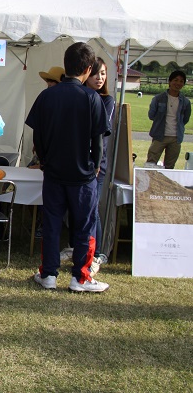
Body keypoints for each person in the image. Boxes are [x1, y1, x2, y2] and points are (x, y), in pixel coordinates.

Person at [25, 42, 110, 293]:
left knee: (51, 223)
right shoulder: (92, 98)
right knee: (84, 225)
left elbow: (37, 137)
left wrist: (45, 160)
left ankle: (49, 274)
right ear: (87, 68)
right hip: (83, 175)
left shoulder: (47, 95)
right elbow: (98, 141)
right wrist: (94, 166)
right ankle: (80, 278)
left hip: (53, 172)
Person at [84, 57, 115, 274]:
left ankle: (99, 253)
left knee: (94, 208)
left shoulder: (107, 100)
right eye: (96, 73)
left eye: (103, 74)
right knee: (84, 208)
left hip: (97, 164)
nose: (100, 78)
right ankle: (85, 248)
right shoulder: (82, 97)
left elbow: (99, 130)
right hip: (80, 162)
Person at [145, 70, 191, 169]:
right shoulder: (158, 99)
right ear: (170, 81)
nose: (178, 83)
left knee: (170, 167)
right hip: (159, 136)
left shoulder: (186, 102)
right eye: (176, 80)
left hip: (176, 138)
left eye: (181, 81)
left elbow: (185, 119)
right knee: (150, 164)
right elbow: (151, 115)